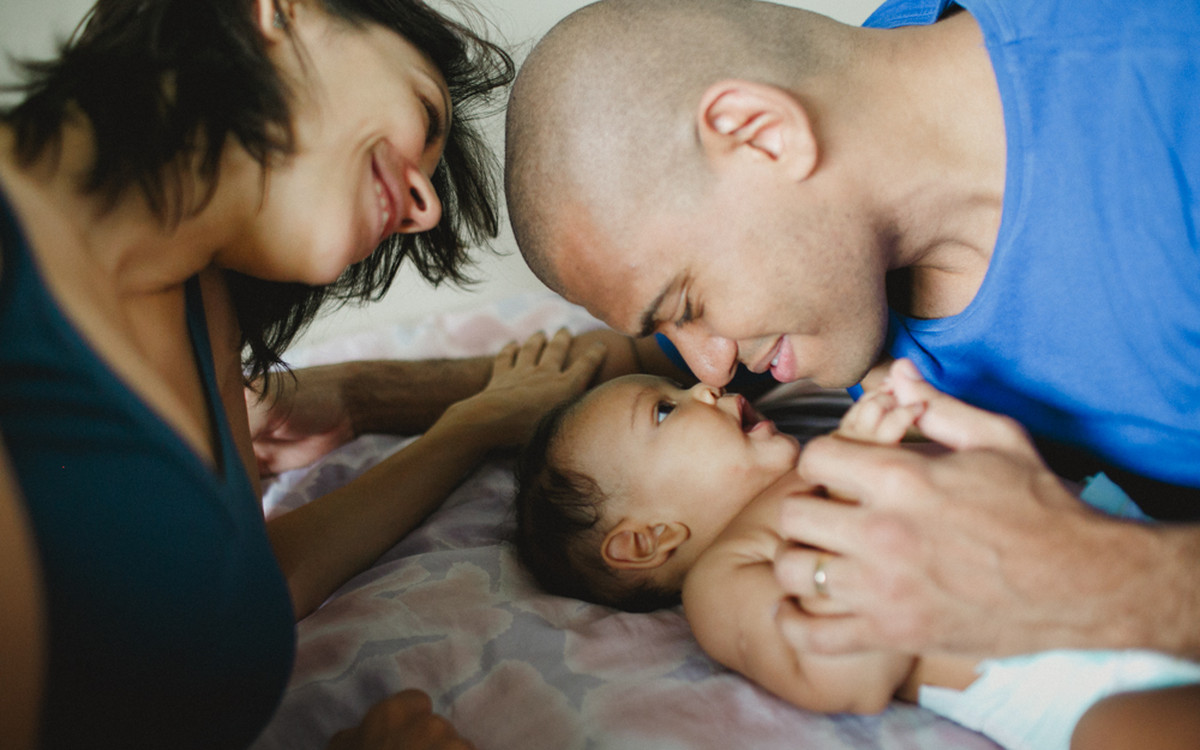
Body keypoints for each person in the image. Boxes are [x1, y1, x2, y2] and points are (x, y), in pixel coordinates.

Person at [502, 0, 1200, 671]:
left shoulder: (1166, 106)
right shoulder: (855, 108)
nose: (710, 372)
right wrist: (470, 415)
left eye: (687, 305)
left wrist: (1092, 574)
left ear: (762, 135)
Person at [0, 0, 605, 748]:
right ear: (281, 11)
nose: (423, 209)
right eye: (423, 111)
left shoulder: (195, 293)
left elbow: (247, 589)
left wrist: (470, 426)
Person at [512, 360, 1200, 750]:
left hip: (1137, 553)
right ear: (647, 540)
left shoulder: (828, 442)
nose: (704, 388)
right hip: (1058, 677)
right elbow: (846, 675)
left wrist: (916, 413)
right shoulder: (724, 580)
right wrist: (857, 482)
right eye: (664, 411)